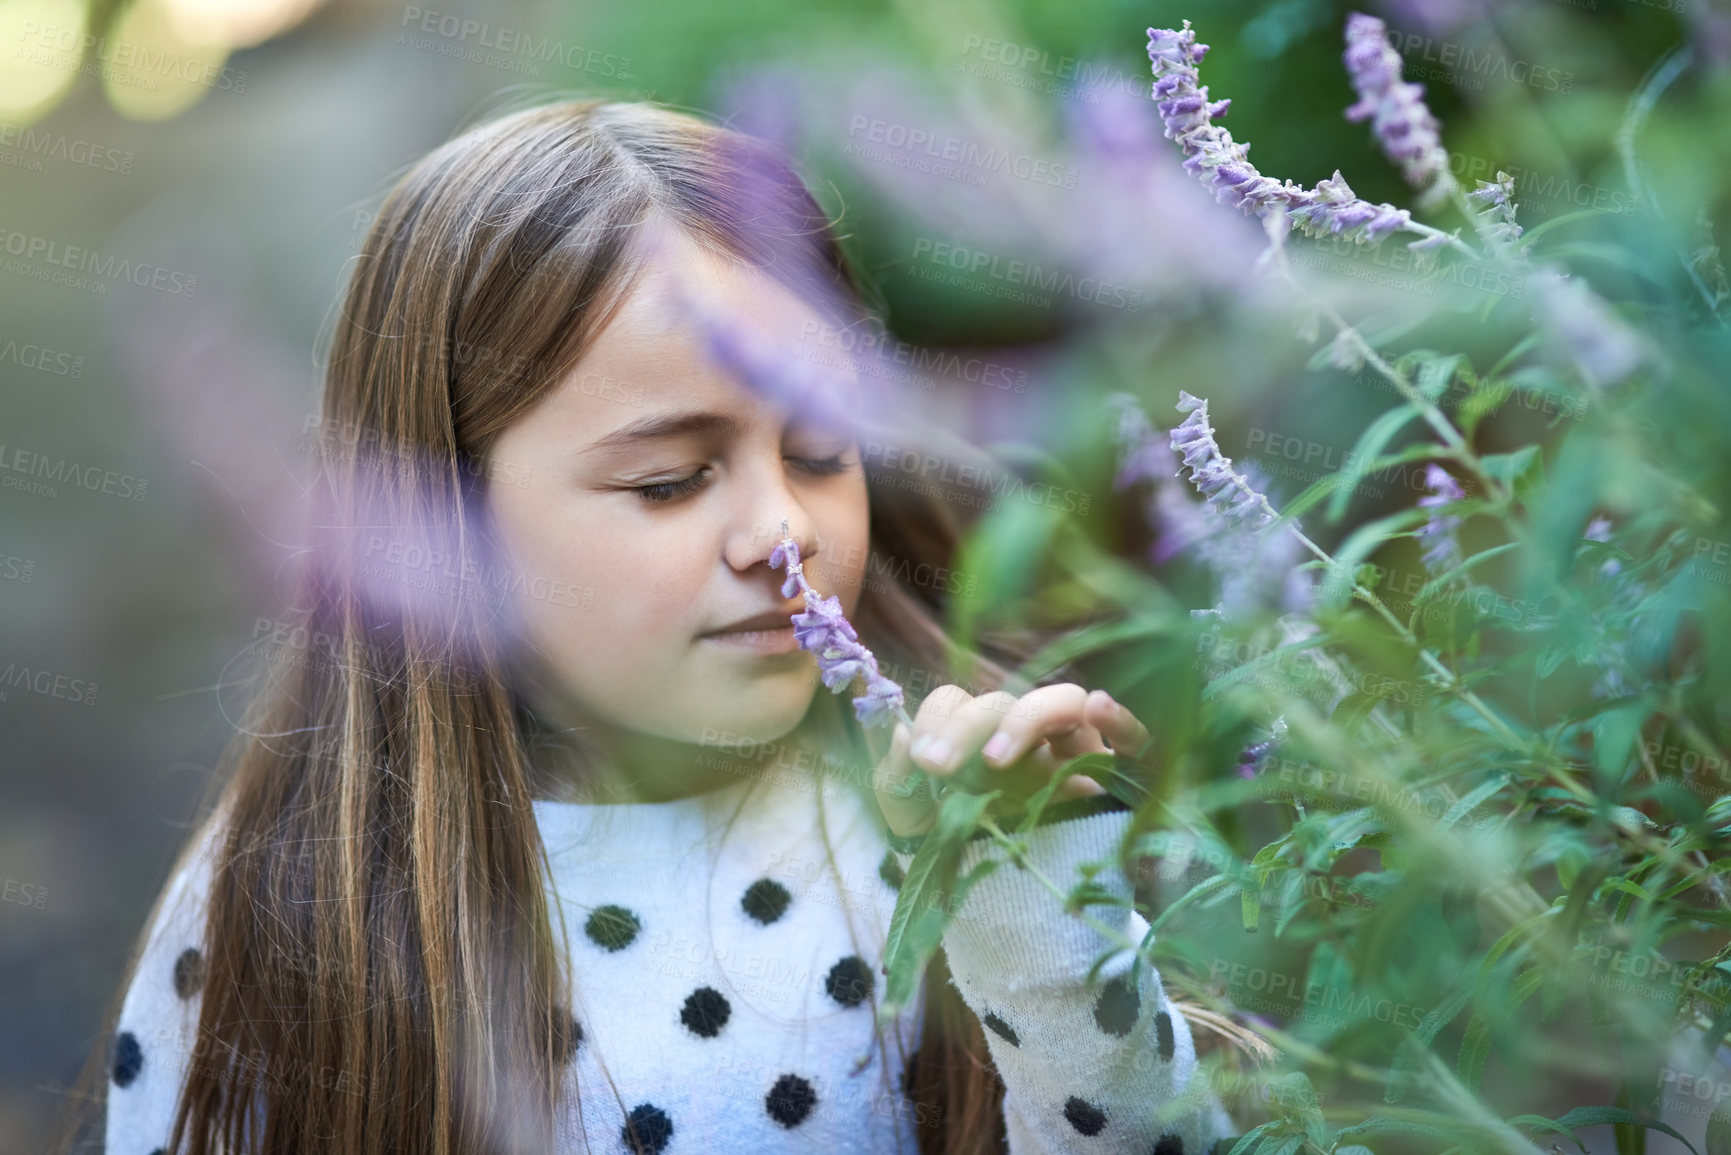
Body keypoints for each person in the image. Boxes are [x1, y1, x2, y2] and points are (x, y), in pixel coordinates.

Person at [62, 97, 1238, 1154]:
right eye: (671, 480)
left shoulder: (935, 812)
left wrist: (1025, 903)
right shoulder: (287, 903)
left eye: (824, 451)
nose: (782, 533)